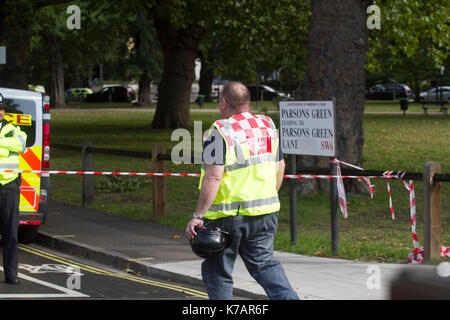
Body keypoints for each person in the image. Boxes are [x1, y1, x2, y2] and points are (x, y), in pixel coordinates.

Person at [185, 82, 299, 300]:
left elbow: (213, 176)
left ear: (224, 102)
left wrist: (198, 216)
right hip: (265, 212)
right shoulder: (267, 125)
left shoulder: (219, 131)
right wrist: (267, 196)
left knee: (218, 272)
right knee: (264, 265)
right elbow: (280, 166)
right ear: (247, 102)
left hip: (227, 217)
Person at [0, 93, 27, 285]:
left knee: (10, 233)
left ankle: (11, 274)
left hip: (8, 186)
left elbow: (21, 145)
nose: (0, 112)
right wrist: (6, 148)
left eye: (1, 108)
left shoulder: (13, 128)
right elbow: (12, 148)